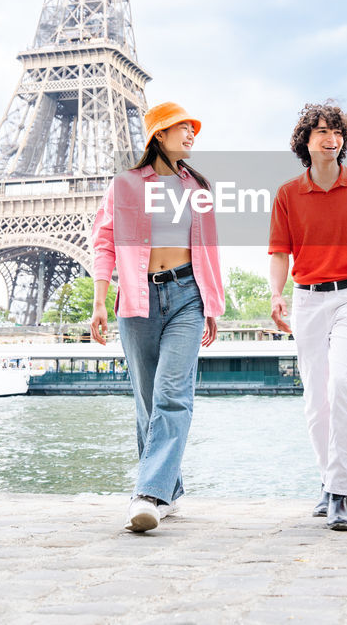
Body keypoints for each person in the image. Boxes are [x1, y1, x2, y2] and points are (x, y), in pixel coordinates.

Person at [90, 101, 224, 533]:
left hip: (187, 295)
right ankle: (169, 490)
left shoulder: (198, 186)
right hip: (137, 296)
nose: (190, 135)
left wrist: (212, 304)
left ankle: (147, 493)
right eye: (180, 128)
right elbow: (104, 242)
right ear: (158, 137)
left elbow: (209, 249)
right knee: (148, 403)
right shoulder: (125, 185)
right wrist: (98, 301)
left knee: (172, 395)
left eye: (192, 129)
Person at [269, 102, 347, 531]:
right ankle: (327, 482)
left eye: (336, 130)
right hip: (306, 300)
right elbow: (280, 253)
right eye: (320, 131)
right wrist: (276, 295)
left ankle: (339, 494)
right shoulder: (287, 194)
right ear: (306, 141)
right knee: (315, 400)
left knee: (342, 386)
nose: (329, 137)